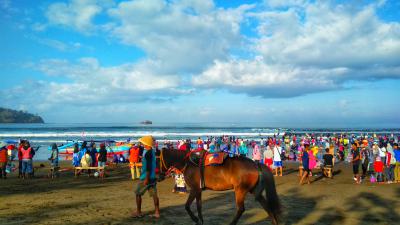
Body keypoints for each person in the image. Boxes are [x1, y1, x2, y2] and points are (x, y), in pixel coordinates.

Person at [132, 135, 160, 219]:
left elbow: (148, 167)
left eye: (143, 143)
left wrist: (146, 179)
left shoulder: (148, 153)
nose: (142, 144)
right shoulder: (152, 152)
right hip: (153, 177)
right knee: (154, 195)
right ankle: (157, 212)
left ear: (146, 144)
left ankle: (138, 212)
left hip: (146, 177)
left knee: (138, 193)